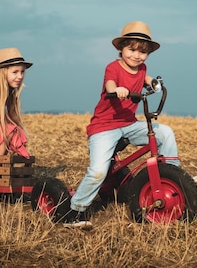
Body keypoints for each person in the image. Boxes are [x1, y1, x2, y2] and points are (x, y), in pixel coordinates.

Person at [63, 21, 180, 229]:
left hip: (128, 124)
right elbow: (109, 83)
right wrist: (117, 89)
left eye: (142, 52)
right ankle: (75, 210)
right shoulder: (113, 68)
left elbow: (145, 77)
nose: (136, 55)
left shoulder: (142, 68)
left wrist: (154, 83)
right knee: (98, 170)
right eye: (132, 49)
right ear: (121, 48)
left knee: (165, 133)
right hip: (104, 127)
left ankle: (172, 176)